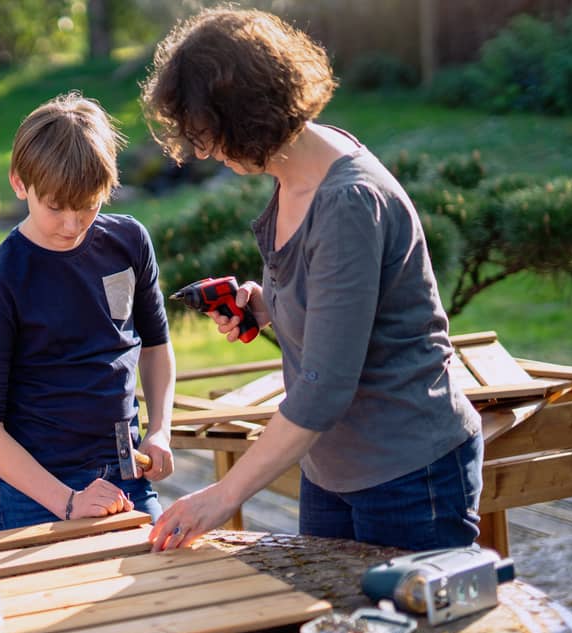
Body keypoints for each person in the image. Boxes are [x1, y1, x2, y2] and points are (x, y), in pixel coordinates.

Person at [140, 8, 483, 553]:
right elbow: (340, 300)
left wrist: (221, 496)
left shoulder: (346, 200)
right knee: (333, 630)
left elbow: (323, 391)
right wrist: (262, 303)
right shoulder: (295, 172)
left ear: (249, 114)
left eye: (210, 136)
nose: (204, 152)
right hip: (331, 469)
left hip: (408, 473)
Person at [0, 92, 176, 532]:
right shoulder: (1, 280)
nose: (72, 225)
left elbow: (156, 348)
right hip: (35, 496)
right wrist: (69, 502)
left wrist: (159, 431)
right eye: (55, 207)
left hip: (127, 477)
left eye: (89, 205)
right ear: (20, 183)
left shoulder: (129, 242)